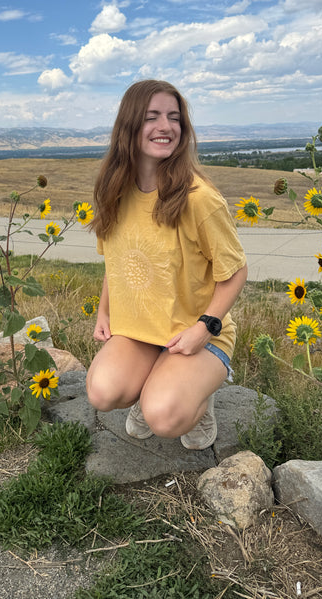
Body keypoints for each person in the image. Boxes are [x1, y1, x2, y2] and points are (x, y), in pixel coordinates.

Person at [86, 80, 247, 449]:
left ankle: (198, 400)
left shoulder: (200, 199)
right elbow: (116, 261)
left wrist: (205, 328)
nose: (166, 127)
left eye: (174, 118)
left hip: (195, 334)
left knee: (162, 416)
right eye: (152, 117)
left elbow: (236, 272)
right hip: (140, 331)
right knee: (101, 392)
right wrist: (104, 311)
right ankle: (159, 380)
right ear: (129, 126)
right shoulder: (113, 192)